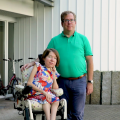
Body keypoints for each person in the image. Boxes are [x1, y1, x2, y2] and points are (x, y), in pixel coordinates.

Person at [21, 11, 93, 120]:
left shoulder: (83, 39)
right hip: (61, 82)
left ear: (75, 22)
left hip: (80, 81)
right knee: (64, 112)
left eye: (71, 20)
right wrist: (32, 63)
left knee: (77, 113)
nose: (69, 22)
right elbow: (44, 56)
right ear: (62, 23)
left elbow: (90, 61)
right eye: (66, 20)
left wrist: (90, 82)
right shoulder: (55, 40)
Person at [27, 48, 60, 120]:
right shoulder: (38, 66)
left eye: (55, 58)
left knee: (56, 100)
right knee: (46, 98)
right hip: (35, 93)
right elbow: (29, 83)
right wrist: (43, 92)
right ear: (44, 58)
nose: (52, 60)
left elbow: (55, 88)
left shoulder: (54, 71)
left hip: (46, 94)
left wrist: (54, 75)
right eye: (50, 57)